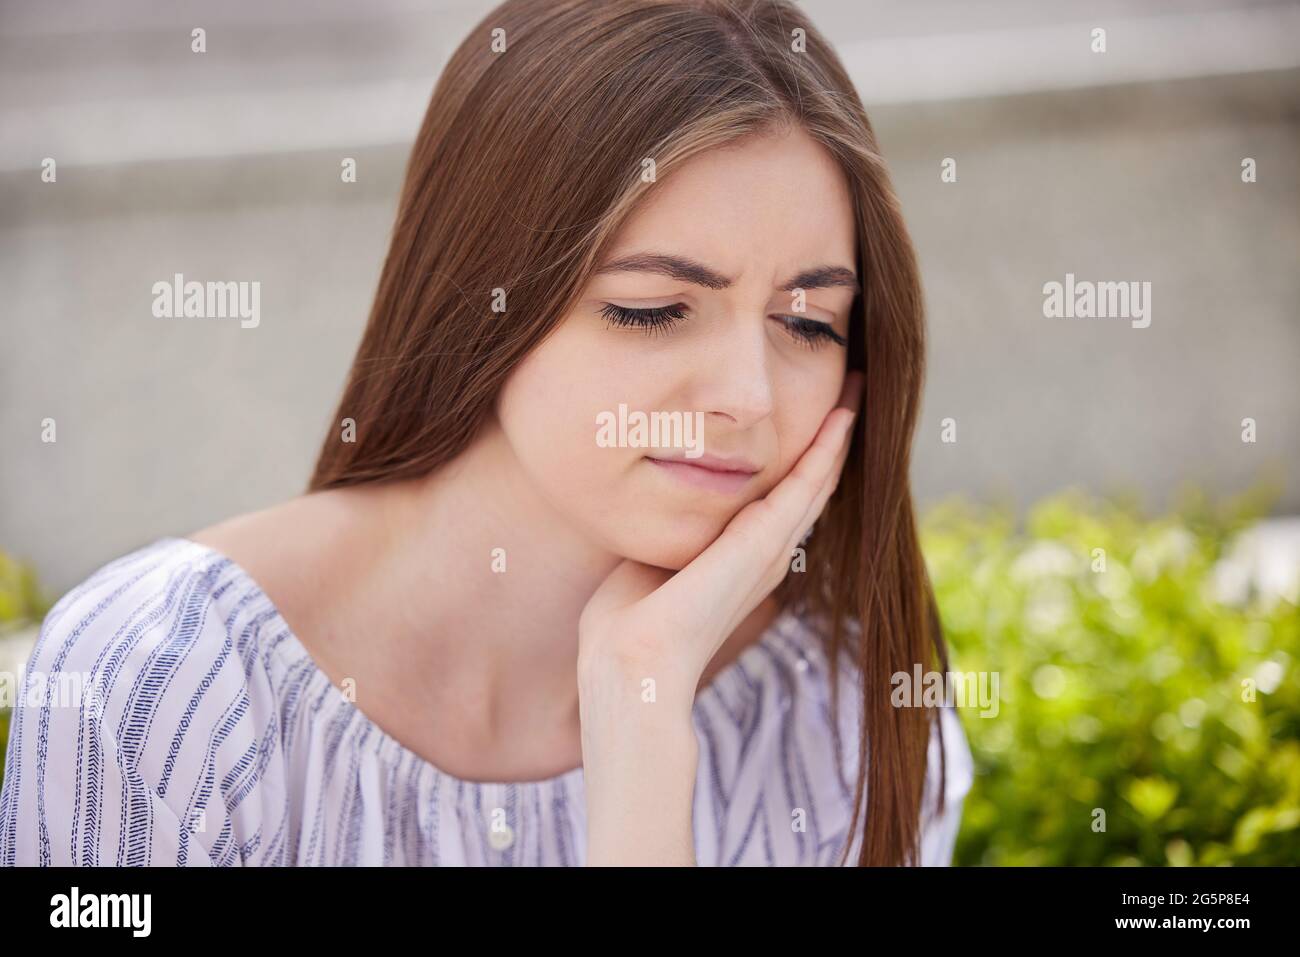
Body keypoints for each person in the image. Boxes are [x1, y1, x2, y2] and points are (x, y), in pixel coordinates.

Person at [0, 0, 972, 866]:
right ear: (485, 298)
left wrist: (640, 717)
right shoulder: (163, 680)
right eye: (651, 308)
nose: (748, 397)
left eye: (807, 322)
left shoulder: (844, 713)